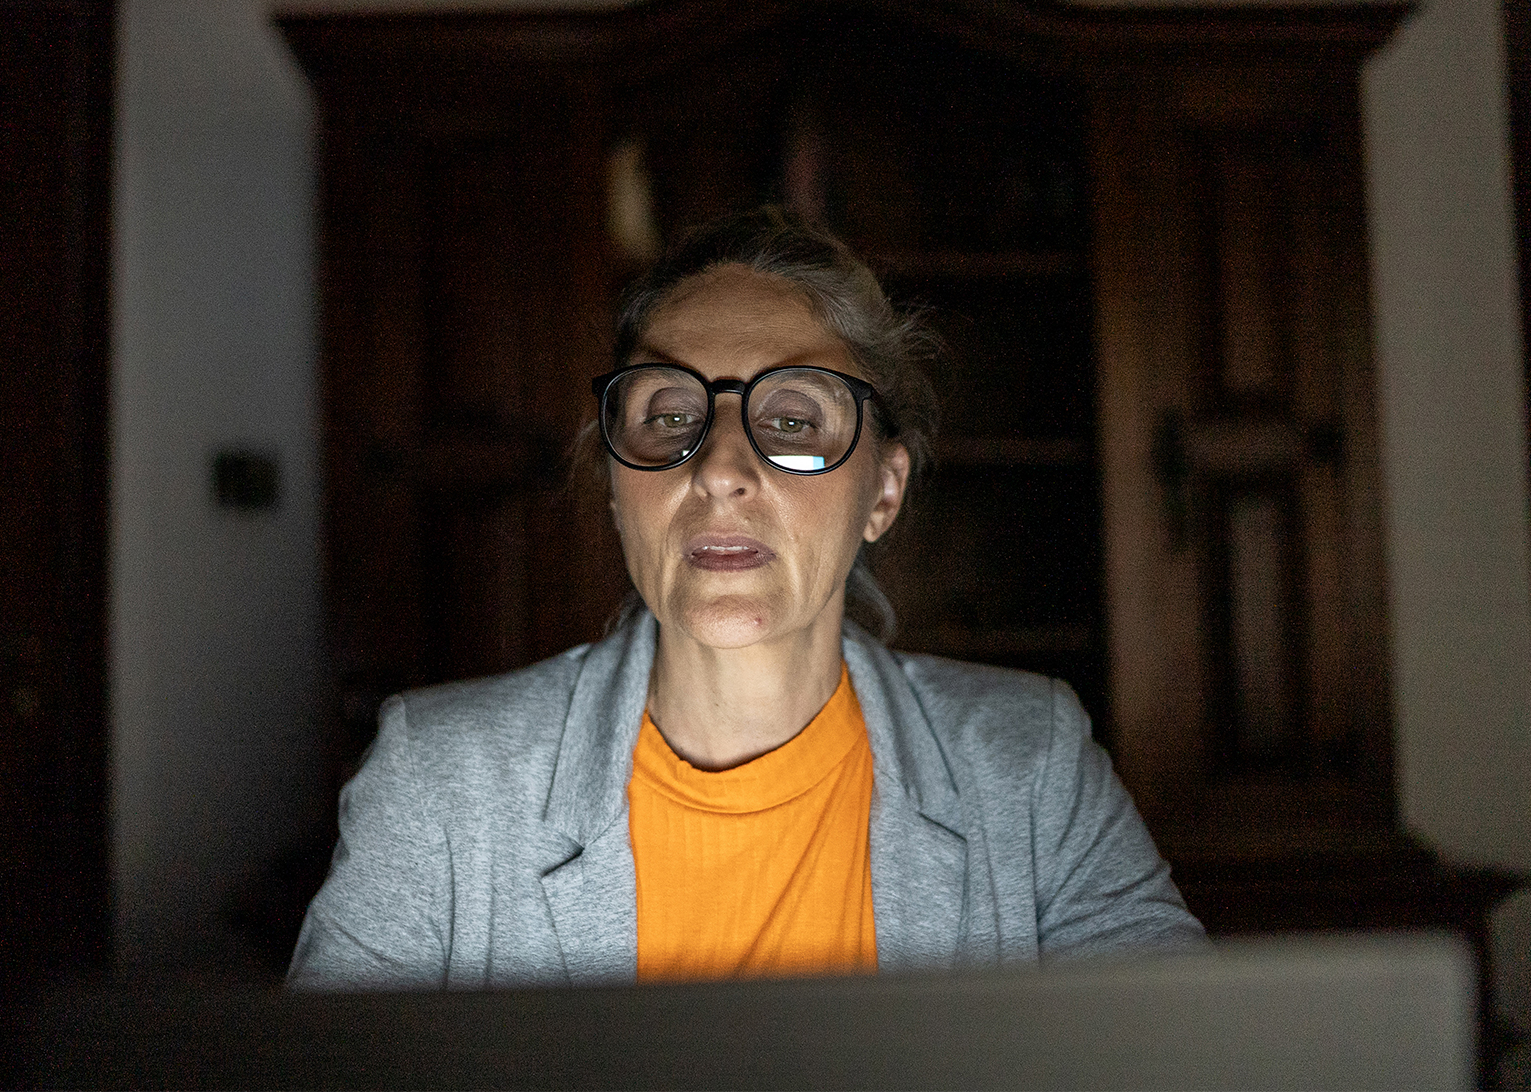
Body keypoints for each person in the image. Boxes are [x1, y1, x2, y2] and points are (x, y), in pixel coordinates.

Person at [288, 207, 1204, 991]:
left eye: (794, 421)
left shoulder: (1030, 767)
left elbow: (1188, 1060)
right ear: (617, 485)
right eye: (671, 417)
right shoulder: (437, 786)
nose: (722, 469)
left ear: (883, 493)